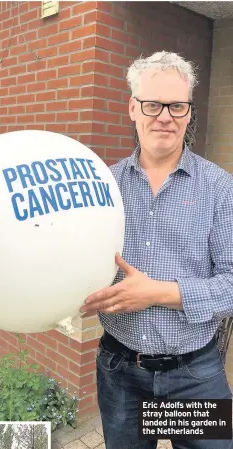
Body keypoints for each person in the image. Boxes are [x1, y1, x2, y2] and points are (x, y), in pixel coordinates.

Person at [80, 51, 233, 449]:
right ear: (133, 107)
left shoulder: (220, 189)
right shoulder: (103, 187)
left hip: (195, 374)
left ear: (188, 111)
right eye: (152, 104)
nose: (164, 117)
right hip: (120, 370)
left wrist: (160, 293)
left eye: (176, 106)